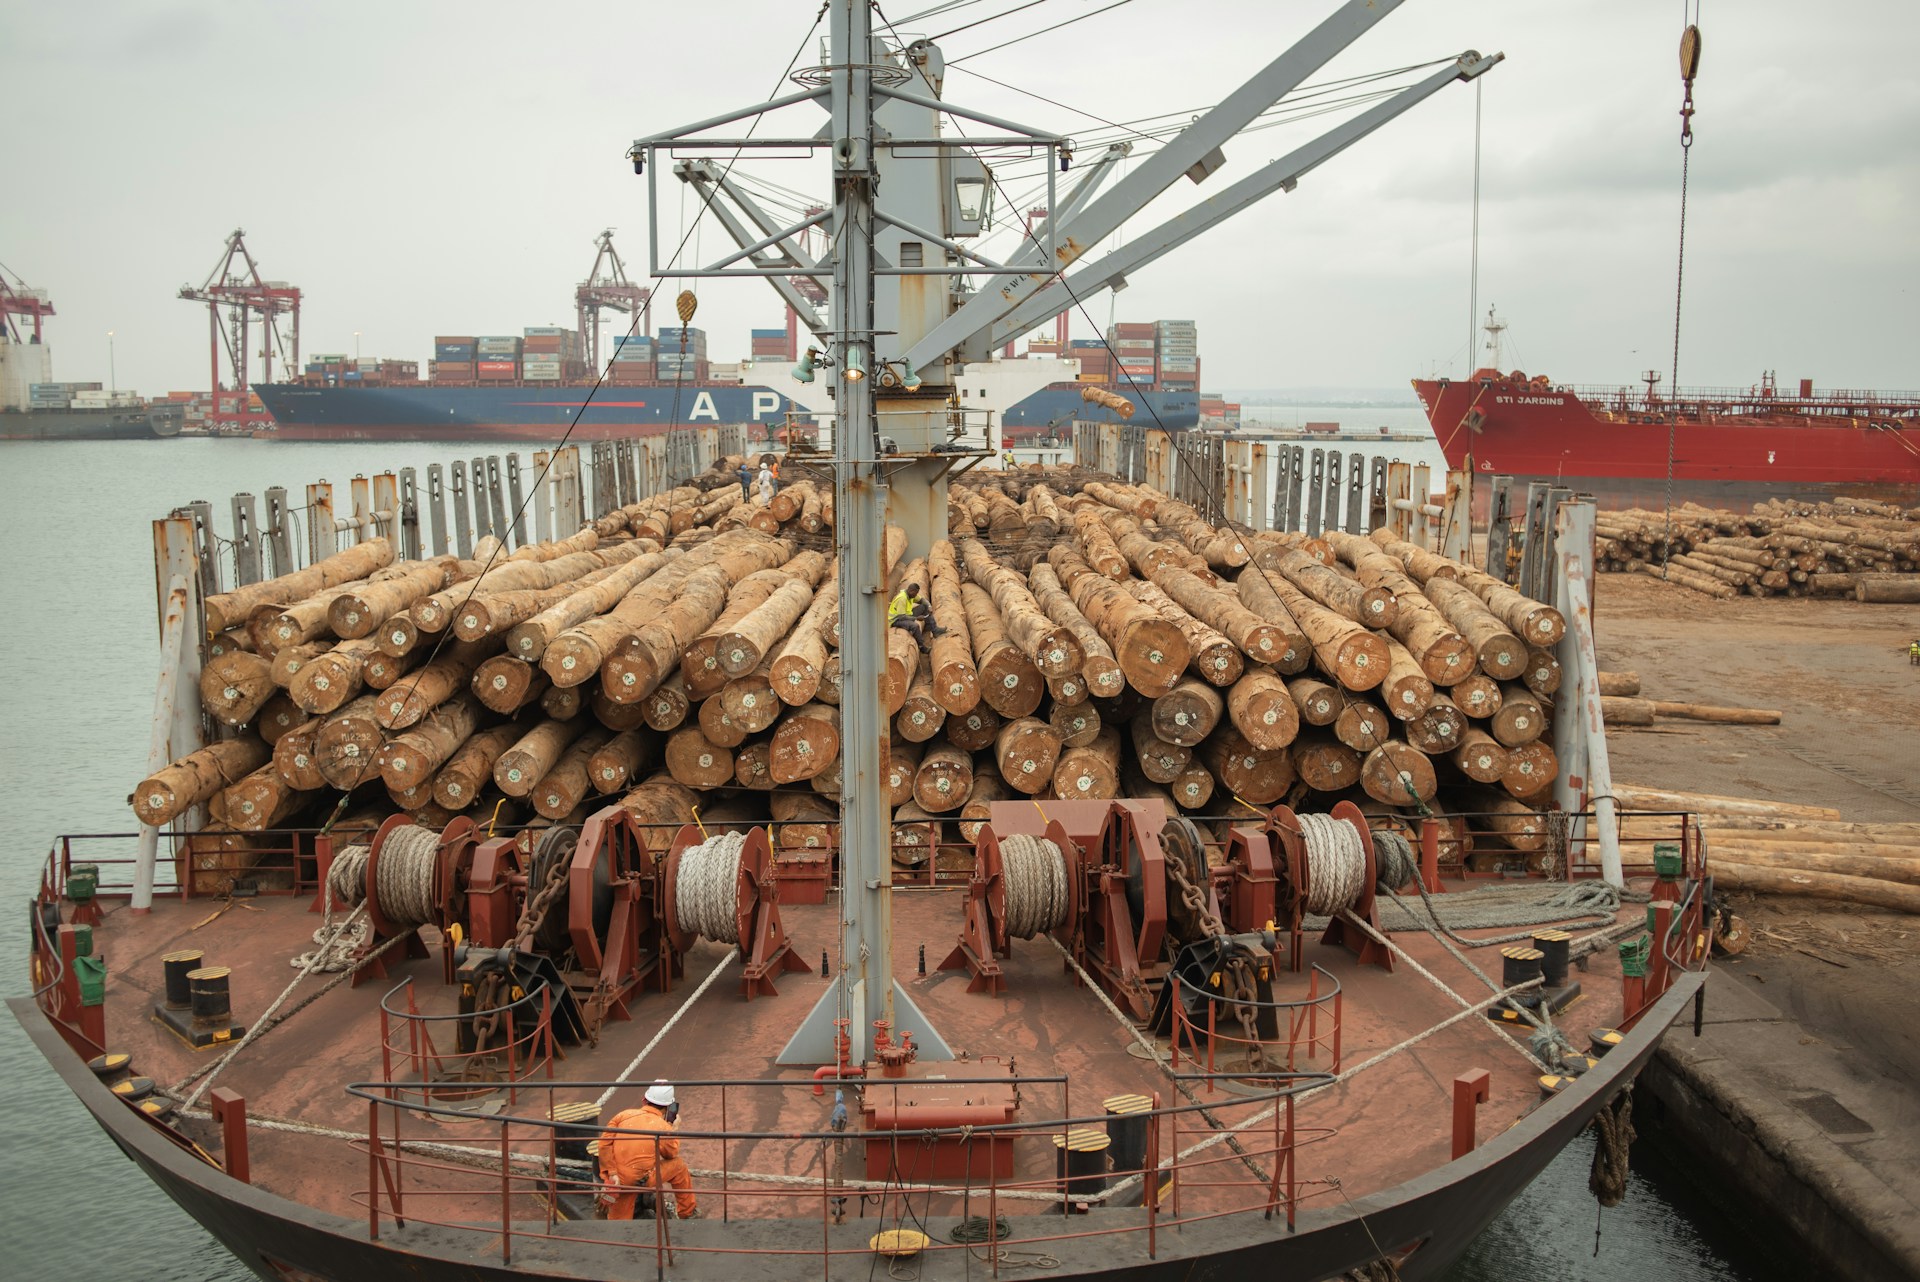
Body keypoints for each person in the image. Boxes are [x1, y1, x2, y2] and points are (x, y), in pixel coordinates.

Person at [597, 1081, 699, 1221]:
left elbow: (603, 1144)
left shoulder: (622, 1115)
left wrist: (613, 1173)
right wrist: (672, 1130)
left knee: (618, 1223)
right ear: (668, 1107)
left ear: (644, 1100)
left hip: (617, 1180)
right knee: (679, 1166)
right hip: (641, 1179)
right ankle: (687, 1212)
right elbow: (671, 1154)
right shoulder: (663, 1128)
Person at [888, 582, 944, 649]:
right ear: (911, 591)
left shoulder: (910, 595)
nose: (916, 595)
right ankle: (922, 647)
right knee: (915, 626)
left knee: (924, 607)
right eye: (916, 593)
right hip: (896, 620)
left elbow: (922, 600)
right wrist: (916, 618)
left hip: (907, 615)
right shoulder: (902, 599)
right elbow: (902, 617)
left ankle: (935, 630)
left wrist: (929, 606)